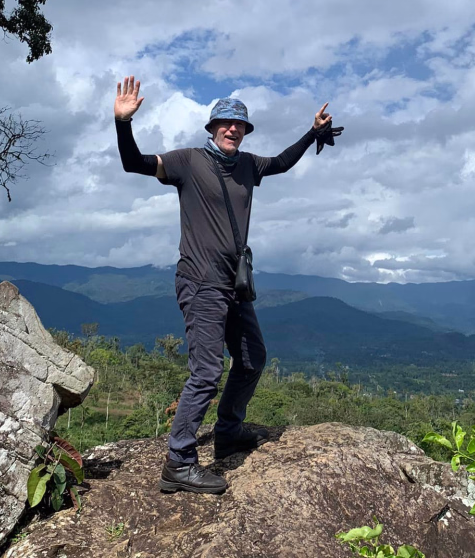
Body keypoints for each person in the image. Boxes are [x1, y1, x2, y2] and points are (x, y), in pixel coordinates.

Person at [113, 76, 342, 494]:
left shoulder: (248, 166)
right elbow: (134, 163)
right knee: (206, 371)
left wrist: (313, 133)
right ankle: (178, 462)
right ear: (212, 127)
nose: (233, 129)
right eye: (226, 124)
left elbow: (282, 162)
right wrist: (123, 123)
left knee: (253, 358)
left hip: (233, 285)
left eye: (240, 125)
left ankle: (228, 431)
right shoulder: (187, 162)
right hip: (201, 283)